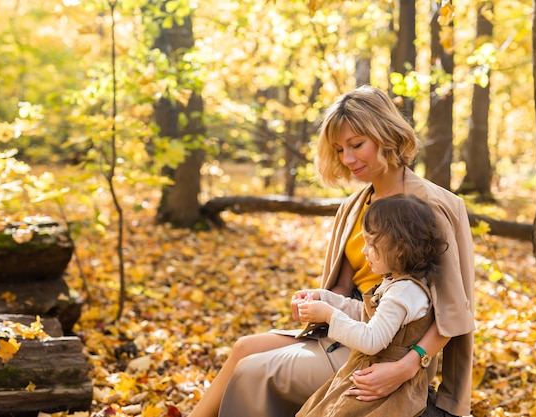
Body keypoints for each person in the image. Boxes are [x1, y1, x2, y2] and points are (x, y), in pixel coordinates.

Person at [188, 85, 475, 417]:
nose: (348, 159)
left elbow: (454, 312)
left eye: (356, 145)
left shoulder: (429, 205)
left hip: (385, 351)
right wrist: (318, 301)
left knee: (254, 371)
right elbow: (343, 288)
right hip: (346, 330)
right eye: (339, 149)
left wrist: (408, 366)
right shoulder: (354, 206)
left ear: (386, 136)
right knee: (244, 349)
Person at [295, 194, 448, 417]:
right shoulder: (395, 281)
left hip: (384, 388)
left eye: (371, 243)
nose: (364, 251)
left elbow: (372, 340)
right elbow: (365, 313)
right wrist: (325, 298)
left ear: (400, 249)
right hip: (365, 372)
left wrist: (329, 315)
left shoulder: (404, 292)